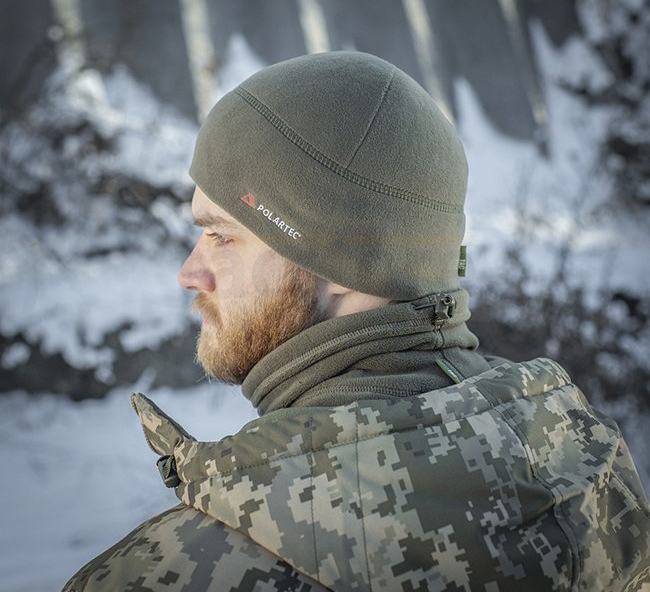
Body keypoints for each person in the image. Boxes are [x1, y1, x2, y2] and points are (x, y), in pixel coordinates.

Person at [63, 52, 650, 591]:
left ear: (343, 259)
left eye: (221, 236)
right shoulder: (596, 482)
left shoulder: (173, 572)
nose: (190, 273)